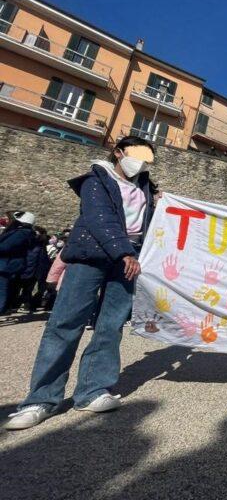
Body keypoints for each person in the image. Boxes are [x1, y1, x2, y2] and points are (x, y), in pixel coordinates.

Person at [5, 136, 157, 431]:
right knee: (65, 323)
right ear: (118, 153)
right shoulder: (95, 181)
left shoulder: (147, 188)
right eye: (137, 154)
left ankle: (93, 390)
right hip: (92, 254)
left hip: (129, 258)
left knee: (110, 326)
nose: (141, 161)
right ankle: (41, 399)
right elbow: (101, 219)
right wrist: (124, 251)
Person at [0, 212, 37, 315]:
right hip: (7, 263)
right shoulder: (22, 232)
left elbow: (6, 246)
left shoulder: (22, 233)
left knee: (2, 289)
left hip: (6, 264)